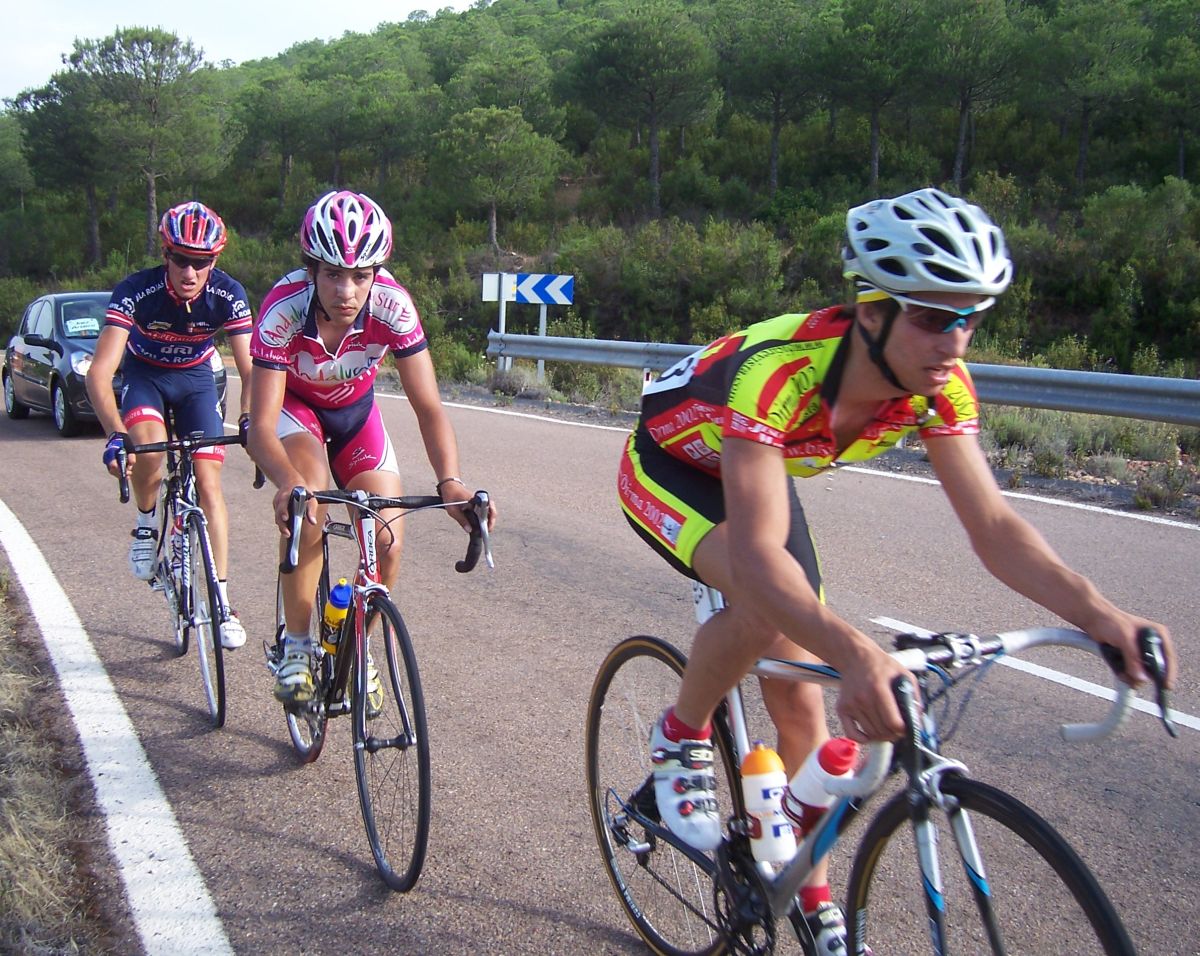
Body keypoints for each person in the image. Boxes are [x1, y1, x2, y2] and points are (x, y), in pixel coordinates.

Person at [617, 187, 1175, 956]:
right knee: (767, 606)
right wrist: (857, 653)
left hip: (757, 471)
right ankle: (680, 736)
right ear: (871, 311)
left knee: (801, 697)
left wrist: (1101, 615)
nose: (955, 340)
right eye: (934, 317)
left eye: (970, 317)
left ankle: (806, 891)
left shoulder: (940, 386)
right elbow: (757, 559)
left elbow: (995, 528)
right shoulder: (776, 373)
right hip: (671, 462)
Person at [247, 189, 497, 707]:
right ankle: (297, 648)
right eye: (333, 274)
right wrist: (288, 483)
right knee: (309, 506)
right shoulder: (283, 308)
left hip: (356, 415)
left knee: (388, 539)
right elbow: (260, 427)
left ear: (376, 274)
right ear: (311, 270)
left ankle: (358, 651)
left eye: (361, 276)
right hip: (297, 411)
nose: (347, 290)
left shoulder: (393, 306)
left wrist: (450, 482)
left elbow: (429, 408)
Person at [87, 200, 254, 650]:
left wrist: (249, 419)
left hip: (197, 380)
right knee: (152, 452)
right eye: (181, 259)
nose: (190, 271)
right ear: (166, 254)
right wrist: (115, 434)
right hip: (146, 377)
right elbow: (99, 373)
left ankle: (221, 600)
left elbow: (252, 368)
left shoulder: (228, 293)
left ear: (214, 260)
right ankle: (146, 523)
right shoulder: (136, 291)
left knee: (209, 482)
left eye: (202, 261)